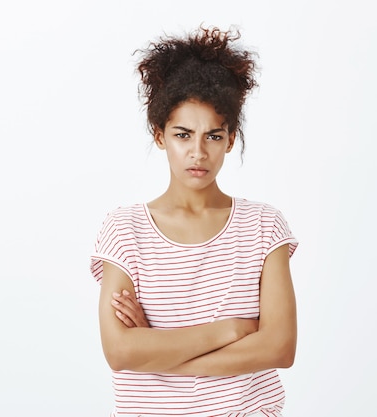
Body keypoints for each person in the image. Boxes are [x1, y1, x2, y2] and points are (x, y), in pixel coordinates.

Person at [89, 26, 298, 417]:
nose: (198, 152)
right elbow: (120, 352)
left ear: (231, 139)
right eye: (183, 134)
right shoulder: (125, 229)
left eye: (213, 137)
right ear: (160, 135)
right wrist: (231, 331)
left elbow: (279, 348)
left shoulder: (264, 227)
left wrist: (159, 351)